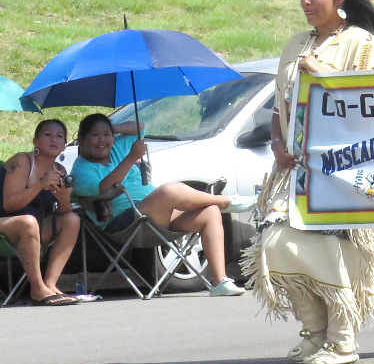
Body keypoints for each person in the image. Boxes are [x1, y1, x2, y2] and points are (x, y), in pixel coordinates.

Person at [240, 0, 374, 364]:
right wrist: (278, 143)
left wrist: (319, 71)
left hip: (345, 171)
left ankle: (342, 341)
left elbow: (368, 106)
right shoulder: (295, 45)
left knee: (335, 252)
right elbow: (278, 108)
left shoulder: (361, 43)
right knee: (275, 244)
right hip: (296, 171)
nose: (306, 2)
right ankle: (314, 330)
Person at [72, 114, 253, 296]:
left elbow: (140, 127)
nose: (102, 141)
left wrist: (111, 128)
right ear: (82, 139)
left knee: (210, 212)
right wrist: (131, 158)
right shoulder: (81, 169)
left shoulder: (115, 149)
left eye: (106, 135)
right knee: (168, 191)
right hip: (124, 222)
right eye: (95, 135)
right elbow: (105, 188)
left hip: (153, 215)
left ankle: (219, 281)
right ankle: (225, 201)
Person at [0, 119, 80, 305]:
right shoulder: (22, 161)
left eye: (59, 136)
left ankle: (50, 284)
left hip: (32, 230)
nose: (54, 139)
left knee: (72, 219)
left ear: (64, 145)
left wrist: (63, 198)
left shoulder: (60, 170)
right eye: (47, 135)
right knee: (28, 222)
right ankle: (37, 288)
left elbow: (64, 211)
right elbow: (10, 205)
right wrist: (41, 185)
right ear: (35, 141)